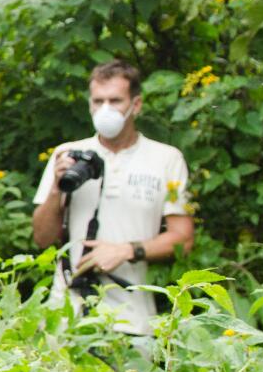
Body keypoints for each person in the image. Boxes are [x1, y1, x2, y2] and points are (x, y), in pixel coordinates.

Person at [32, 59, 195, 337]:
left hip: (132, 319)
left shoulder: (166, 159)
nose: (105, 109)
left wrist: (125, 250)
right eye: (98, 101)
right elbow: (42, 239)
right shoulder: (68, 153)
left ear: (136, 104)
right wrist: (57, 189)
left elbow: (184, 239)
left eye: (115, 100)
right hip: (67, 315)